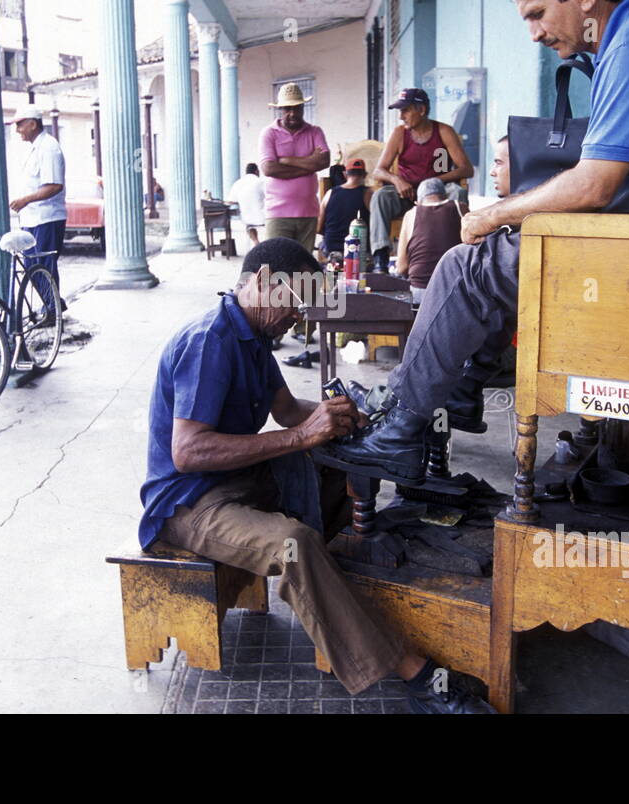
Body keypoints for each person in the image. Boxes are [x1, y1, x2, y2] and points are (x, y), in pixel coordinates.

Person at [324, 0, 629, 483]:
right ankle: (455, 393)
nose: (536, 34)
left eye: (538, 13)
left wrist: (493, 214)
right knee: (495, 255)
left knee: (464, 268)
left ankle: (401, 427)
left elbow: (595, 184)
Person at [139, 237, 494, 713]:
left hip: (234, 480)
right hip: (188, 504)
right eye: (297, 302)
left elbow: (288, 411)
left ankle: (336, 595)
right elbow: (188, 452)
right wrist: (303, 437)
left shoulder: (253, 339)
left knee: (332, 468)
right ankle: (418, 676)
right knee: (295, 544)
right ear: (265, 283)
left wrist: (346, 418)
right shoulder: (211, 343)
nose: (300, 317)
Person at [367, 88, 473, 273]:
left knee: (458, 192)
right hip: (406, 193)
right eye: (400, 111)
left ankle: (461, 250)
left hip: (438, 193)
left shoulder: (443, 131)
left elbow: (466, 169)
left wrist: (434, 182)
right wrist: (397, 180)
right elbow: (378, 171)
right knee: (381, 197)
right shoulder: (399, 133)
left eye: (405, 110)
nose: (401, 116)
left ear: (421, 110)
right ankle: (380, 259)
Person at [7, 104, 66, 324]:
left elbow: (54, 186)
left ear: (33, 124)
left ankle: (53, 311)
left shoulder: (49, 148)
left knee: (43, 266)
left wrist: (25, 200)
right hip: (32, 218)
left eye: (20, 124)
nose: (18, 130)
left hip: (47, 218)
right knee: (32, 266)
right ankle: (54, 304)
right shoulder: (35, 148)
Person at [259, 83, 330, 252]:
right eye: (287, 109)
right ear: (280, 110)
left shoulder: (314, 132)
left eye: (296, 108)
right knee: (276, 267)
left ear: (303, 108)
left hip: (308, 212)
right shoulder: (269, 133)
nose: (292, 113)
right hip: (278, 214)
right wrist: (309, 165)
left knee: (302, 269)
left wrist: (286, 160)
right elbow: (269, 169)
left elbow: (324, 161)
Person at [396, 178, 463, 305]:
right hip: (454, 291)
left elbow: (401, 267)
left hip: (420, 291)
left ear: (418, 201)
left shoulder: (411, 214)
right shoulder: (459, 207)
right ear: (445, 196)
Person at [318, 157, 371, 259]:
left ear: (345, 174)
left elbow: (318, 228)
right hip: (356, 250)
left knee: (335, 273)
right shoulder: (368, 194)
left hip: (331, 249)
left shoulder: (330, 193)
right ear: (365, 175)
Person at [227, 162, 266, 248]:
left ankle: (255, 241)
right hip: (263, 217)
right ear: (256, 171)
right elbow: (269, 196)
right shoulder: (260, 181)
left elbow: (230, 201)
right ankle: (266, 244)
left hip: (246, 218)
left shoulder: (238, 183)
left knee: (249, 226)